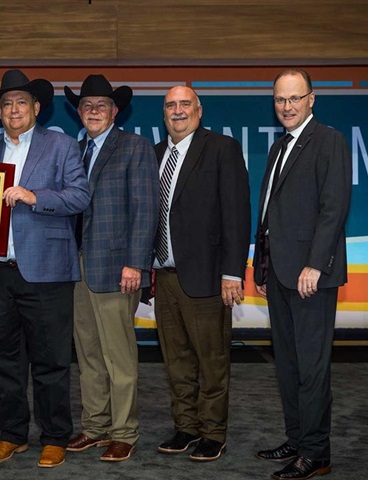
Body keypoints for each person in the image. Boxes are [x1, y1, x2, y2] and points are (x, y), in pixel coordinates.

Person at [0, 69, 90, 469]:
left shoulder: (62, 145)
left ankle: (54, 437)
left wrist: (34, 196)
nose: (14, 109)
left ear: (37, 107)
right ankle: (11, 434)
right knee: (1, 360)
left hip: (48, 272)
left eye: (21, 102)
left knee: (51, 359)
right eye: (6, 103)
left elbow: (79, 196)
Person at [252, 68, 352, 480]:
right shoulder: (280, 147)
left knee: (312, 368)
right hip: (279, 272)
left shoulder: (328, 140)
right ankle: (297, 439)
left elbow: (334, 208)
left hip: (311, 275)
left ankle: (317, 453)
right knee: (289, 365)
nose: (287, 106)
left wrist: (315, 263)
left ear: (312, 99)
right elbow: (270, 214)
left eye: (294, 98)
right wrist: (263, 264)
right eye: (280, 100)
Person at [62, 75, 159, 462]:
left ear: (115, 111)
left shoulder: (134, 147)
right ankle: (96, 426)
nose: (93, 112)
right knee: (87, 353)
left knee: (119, 355)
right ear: (79, 113)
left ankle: (125, 431)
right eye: (86, 106)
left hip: (117, 267)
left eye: (101, 105)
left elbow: (146, 210)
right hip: (75, 267)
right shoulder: (73, 150)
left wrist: (136, 262)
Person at [153, 86, 250, 462]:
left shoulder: (221, 148)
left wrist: (232, 272)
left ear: (199, 110)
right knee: (176, 361)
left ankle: (213, 432)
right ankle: (186, 428)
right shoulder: (157, 153)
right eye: (170, 105)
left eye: (184, 104)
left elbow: (237, 214)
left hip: (209, 278)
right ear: (164, 113)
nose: (178, 111)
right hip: (165, 277)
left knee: (212, 362)